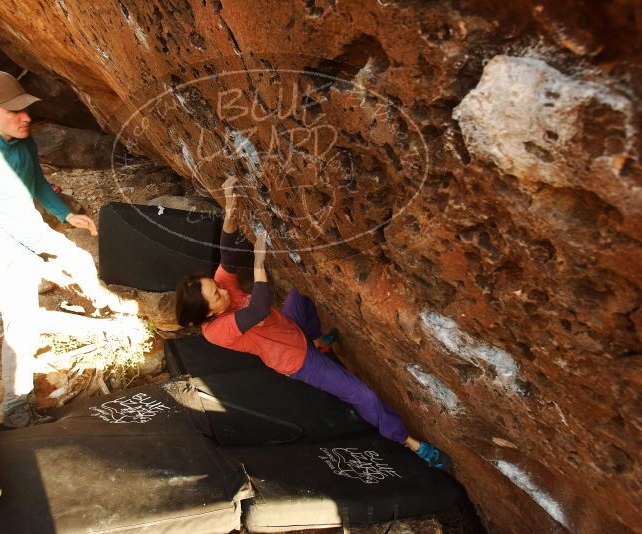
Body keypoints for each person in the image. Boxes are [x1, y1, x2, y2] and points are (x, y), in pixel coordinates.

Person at [175, 177, 452, 470]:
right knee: (362, 394)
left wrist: (231, 205)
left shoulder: (221, 290)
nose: (222, 290)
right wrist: (258, 263)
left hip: (292, 328)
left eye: (216, 287)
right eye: (216, 295)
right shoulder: (216, 331)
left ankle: (319, 342)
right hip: (297, 359)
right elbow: (257, 309)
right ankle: (411, 443)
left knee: (302, 291)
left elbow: (228, 253)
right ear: (207, 314)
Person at [0, 70, 130, 428]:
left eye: (25, 108)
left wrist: (65, 214)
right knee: (22, 325)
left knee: (79, 259)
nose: (26, 117)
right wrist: (36, 264)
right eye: (14, 111)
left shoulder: (22, 138)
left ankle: (107, 313)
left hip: (29, 227)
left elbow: (37, 183)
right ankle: (17, 408)